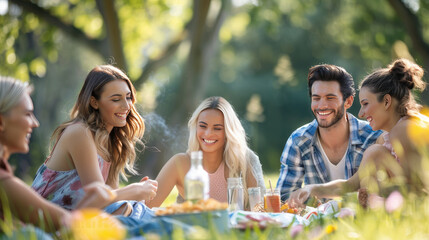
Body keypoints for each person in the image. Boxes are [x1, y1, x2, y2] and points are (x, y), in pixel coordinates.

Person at [287, 58, 429, 207]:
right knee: (375, 152)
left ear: (386, 101)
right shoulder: (388, 137)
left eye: (366, 104)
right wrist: (313, 189)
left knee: (375, 153)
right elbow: (351, 184)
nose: (361, 113)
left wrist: (373, 194)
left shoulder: (405, 130)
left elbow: (419, 191)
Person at [31, 65, 157, 211]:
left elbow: (109, 203)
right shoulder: (80, 133)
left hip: (77, 218)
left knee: (127, 209)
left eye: (128, 97)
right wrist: (134, 190)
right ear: (94, 102)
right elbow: (97, 198)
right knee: (128, 211)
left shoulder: (111, 142)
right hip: (44, 220)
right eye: (116, 99)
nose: (126, 106)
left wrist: (137, 195)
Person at [0, 76, 115, 236]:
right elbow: (67, 228)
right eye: (27, 114)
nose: (35, 123)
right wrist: (94, 201)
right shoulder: (4, 183)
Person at [276, 64, 382, 201]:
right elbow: (284, 198)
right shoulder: (299, 141)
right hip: (316, 221)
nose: (322, 105)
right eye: (316, 98)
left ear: (348, 101)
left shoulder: (373, 137)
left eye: (330, 98)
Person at [147, 96, 265, 210]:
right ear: (195, 127)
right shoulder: (180, 163)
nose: (208, 134)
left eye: (217, 128)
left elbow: (262, 212)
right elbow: (144, 208)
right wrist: (138, 191)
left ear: (229, 131)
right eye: (203, 126)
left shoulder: (246, 160)